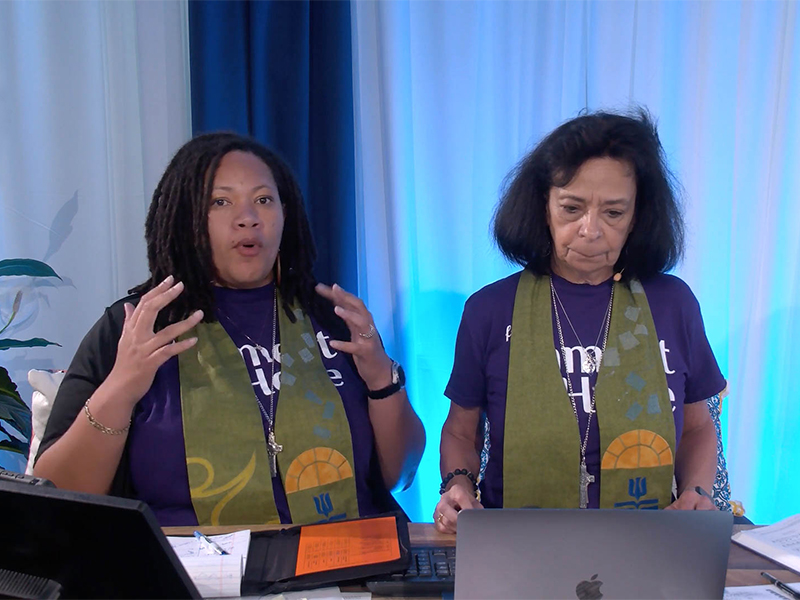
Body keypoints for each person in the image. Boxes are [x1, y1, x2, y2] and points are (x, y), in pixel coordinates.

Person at [34, 132, 426, 527]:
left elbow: (402, 475)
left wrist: (381, 376)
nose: (248, 218)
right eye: (220, 202)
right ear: (188, 218)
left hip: (344, 569)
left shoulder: (330, 316)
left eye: (263, 200)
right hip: (192, 578)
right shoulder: (135, 326)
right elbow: (58, 494)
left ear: (285, 215)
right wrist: (122, 386)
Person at [434, 110, 726, 533]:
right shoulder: (490, 309)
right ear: (543, 208)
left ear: (638, 216)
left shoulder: (673, 303)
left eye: (613, 213)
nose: (590, 231)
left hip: (651, 543)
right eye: (571, 209)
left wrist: (696, 493)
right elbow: (461, 432)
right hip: (515, 544)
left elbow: (699, 426)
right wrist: (458, 484)